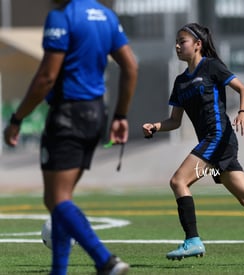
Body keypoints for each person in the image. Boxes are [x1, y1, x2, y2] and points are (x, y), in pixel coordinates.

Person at [142, 23, 244, 266]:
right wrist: (156, 126)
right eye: (176, 42)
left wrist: (243, 112)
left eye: (183, 41)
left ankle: (192, 240)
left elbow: (243, 89)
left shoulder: (211, 66)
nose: (178, 46)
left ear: (198, 44)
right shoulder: (180, 82)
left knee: (178, 181)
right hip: (215, 147)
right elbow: (174, 121)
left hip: (219, 138)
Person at [3, 0, 138, 274]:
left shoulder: (62, 17)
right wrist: (120, 116)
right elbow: (131, 67)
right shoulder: (106, 16)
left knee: (56, 199)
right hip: (96, 114)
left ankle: (105, 260)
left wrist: (17, 118)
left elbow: (46, 78)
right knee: (62, 199)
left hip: (68, 115)